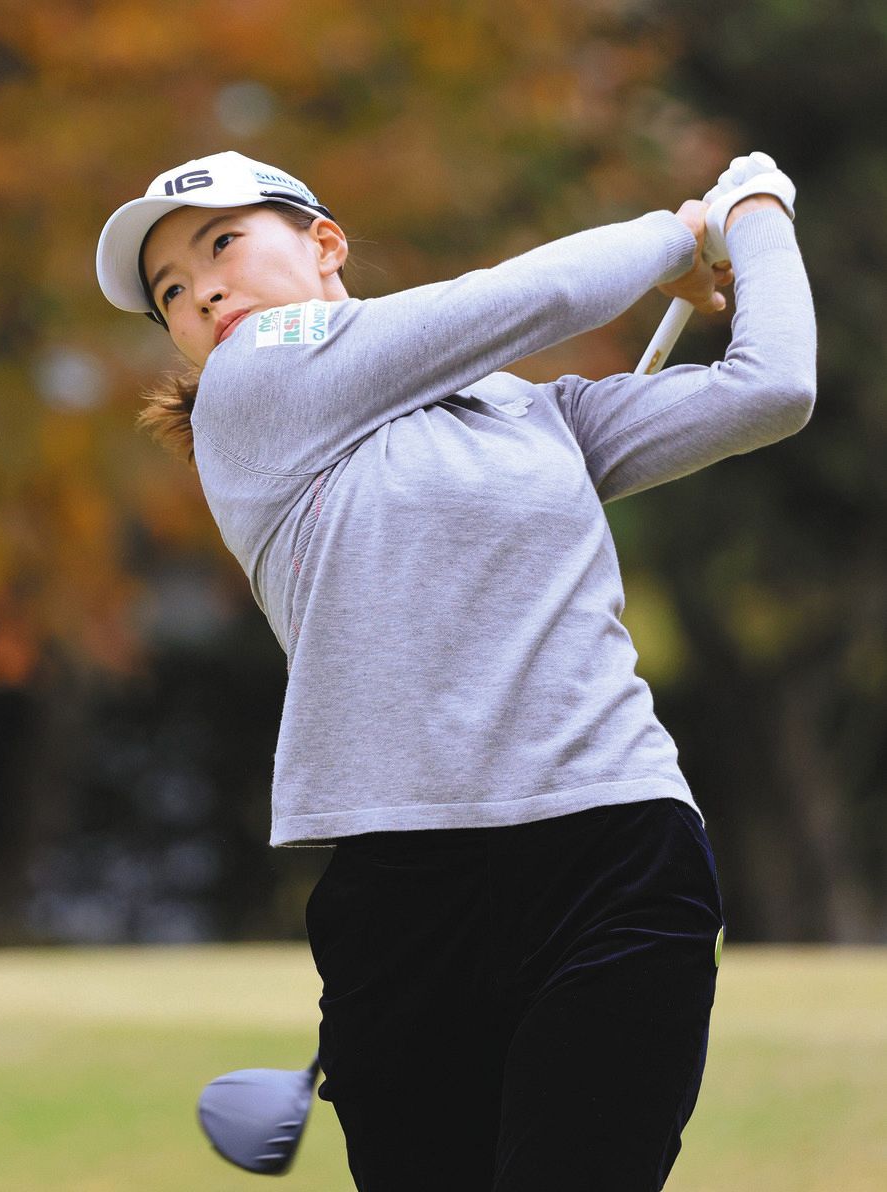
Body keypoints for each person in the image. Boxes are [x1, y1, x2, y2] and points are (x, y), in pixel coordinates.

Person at [96, 149, 815, 1191]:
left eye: (220, 245)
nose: (199, 290)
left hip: (612, 848)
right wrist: (677, 236)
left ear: (324, 245)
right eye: (168, 290)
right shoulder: (248, 389)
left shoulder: (535, 417)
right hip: (405, 892)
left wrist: (756, 210)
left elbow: (771, 387)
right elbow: (532, 295)